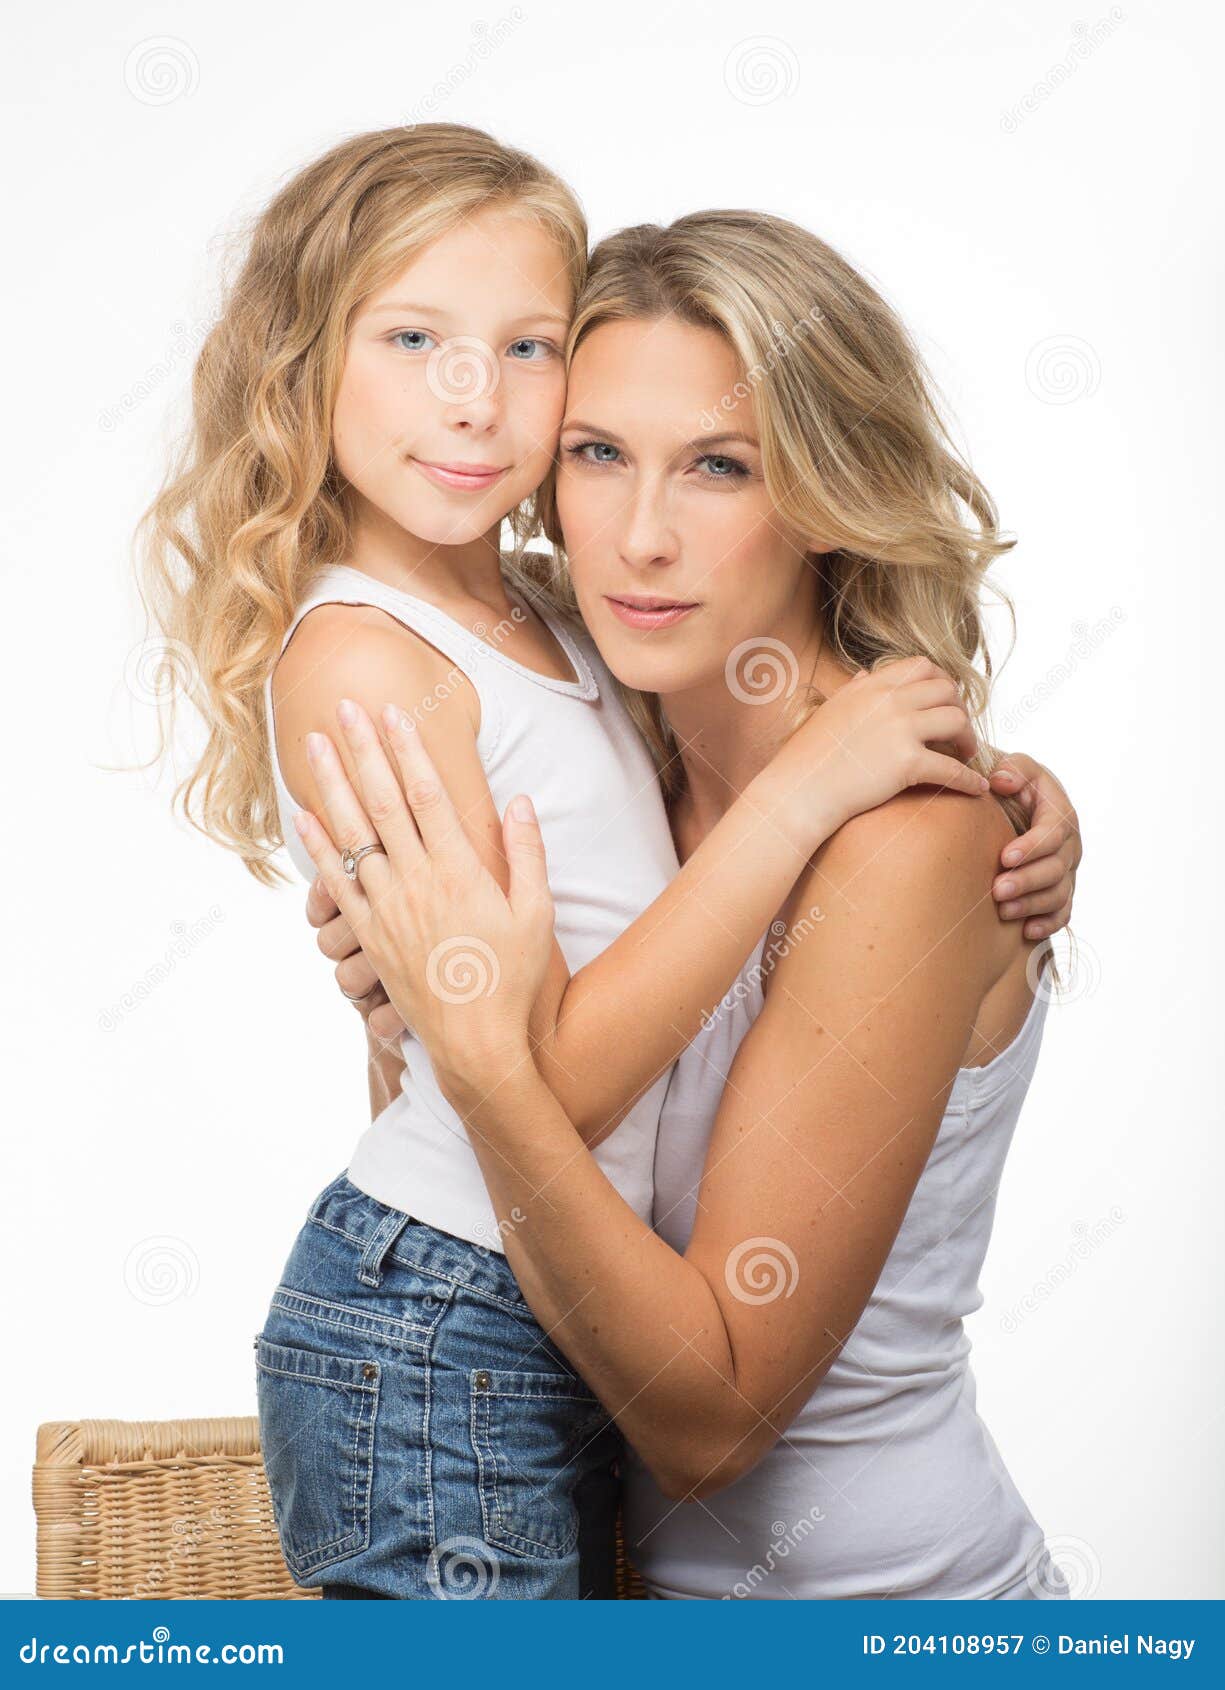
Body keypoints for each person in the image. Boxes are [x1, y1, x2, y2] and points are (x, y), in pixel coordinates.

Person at [295, 209, 1081, 1599]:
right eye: (596, 453)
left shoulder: (904, 840)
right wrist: (405, 1026)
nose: (639, 536)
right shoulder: (611, 764)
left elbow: (708, 1417)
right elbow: (511, 1221)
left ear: (829, 495)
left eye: (718, 467)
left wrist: (483, 1067)